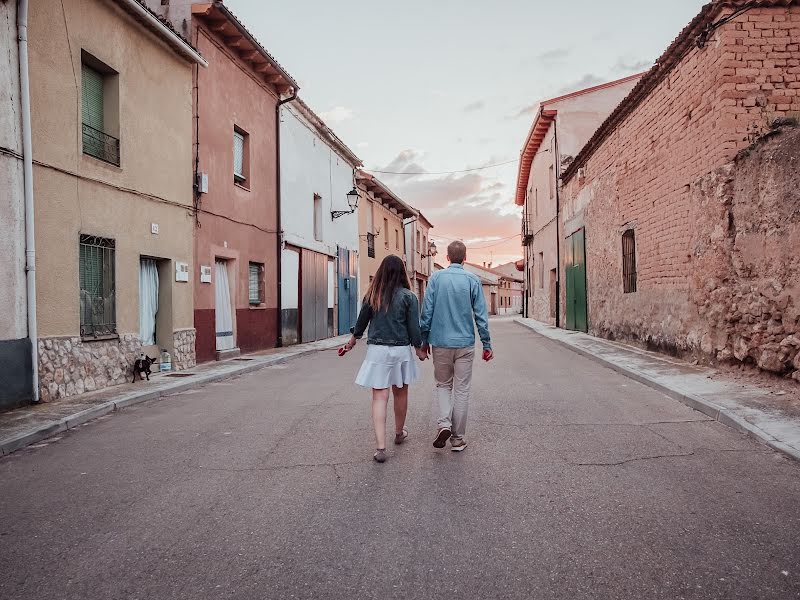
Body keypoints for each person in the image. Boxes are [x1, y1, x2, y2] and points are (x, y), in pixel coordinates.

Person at [341, 255, 423, 463]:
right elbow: (414, 329)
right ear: (402, 272)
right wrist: (420, 348)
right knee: (401, 393)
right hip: (401, 350)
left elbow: (361, 324)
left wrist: (351, 343)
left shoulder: (372, 295)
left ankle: (380, 447)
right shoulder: (409, 297)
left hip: (377, 350)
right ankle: (398, 433)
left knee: (379, 397)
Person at [418, 240, 492, 452]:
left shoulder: (436, 278)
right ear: (465, 258)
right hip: (465, 344)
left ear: (447, 258)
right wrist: (487, 344)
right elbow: (481, 316)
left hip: (440, 342)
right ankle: (457, 439)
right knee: (461, 390)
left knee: (443, 385)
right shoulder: (472, 280)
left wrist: (424, 342)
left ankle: (444, 424)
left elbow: (427, 312)